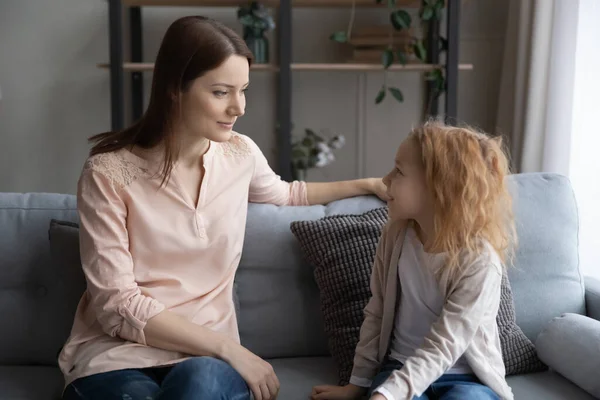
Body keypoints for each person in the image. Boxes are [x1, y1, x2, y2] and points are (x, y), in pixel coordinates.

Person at [58, 16, 388, 400]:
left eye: (243, 90)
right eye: (221, 92)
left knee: (198, 386)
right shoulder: (107, 172)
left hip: (205, 364)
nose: (239, 107)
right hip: (116, 357)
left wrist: (368, 184)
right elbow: (117, 304)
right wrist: (231, 349)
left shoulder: (239, 154)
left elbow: (288, 194)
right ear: (174, 89)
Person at [311, 121, 516, 400]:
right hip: (399, 368)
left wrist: (387, 396)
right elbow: (377, 311)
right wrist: (356, 385)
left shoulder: (479, 261)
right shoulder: (395, 235)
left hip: (468, 379)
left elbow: (446, 343)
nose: (385, 180)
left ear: (438, 187)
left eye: (399, 171)